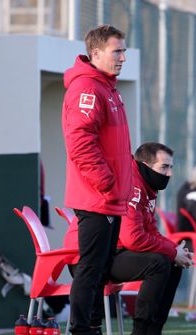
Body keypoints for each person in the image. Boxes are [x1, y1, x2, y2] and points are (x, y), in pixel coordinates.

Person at [62, 24, 133, 334]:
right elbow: (79, 141)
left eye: (123, 51)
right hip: (97, 198)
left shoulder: (105, 86)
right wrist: (106, 182)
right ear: (96, 54)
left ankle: (90, 326)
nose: (122, 58)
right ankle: (81, 329)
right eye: (117, 51)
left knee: (100, 269)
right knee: (90, 269)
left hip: (110, 198)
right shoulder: (88, 88)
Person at [110, 142, 193, 335]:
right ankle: (140, 331)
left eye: (171, 167)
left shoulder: (146, 186)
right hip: (94, 257)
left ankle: (153, 331)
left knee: (172, 264)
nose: (170, 173)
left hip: (117, 251)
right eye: (164, 167)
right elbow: (133, 238)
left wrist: (175, 251)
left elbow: (151, 230)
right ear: (146, 166)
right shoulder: (132, 187)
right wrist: (172, 252)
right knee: (159, 263)